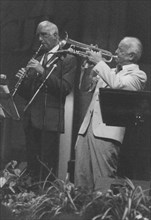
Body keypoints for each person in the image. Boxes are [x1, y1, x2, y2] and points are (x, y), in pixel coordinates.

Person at [74, 37, 147, 192]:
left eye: (120, 49)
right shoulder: (110, 71)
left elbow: (118, 86)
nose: (115, 52)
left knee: (102, 183)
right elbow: (84, 87)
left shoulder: (138, 75)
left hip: (106, 134)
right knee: (81, 181)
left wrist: (100, 63)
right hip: (86, 129)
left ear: (131, 56)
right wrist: (87, 68)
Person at [16, 21, 77, 181]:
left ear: (56, 35)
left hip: (49, 120)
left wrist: (42, 71)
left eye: (44, 35)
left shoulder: (67, 59)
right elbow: (28, 93)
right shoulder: (38, 57)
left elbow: (65, 88)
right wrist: (23, 80)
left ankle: (44, 201)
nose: (40, 40)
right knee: (32, 165)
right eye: (38, 35)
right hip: (31, 119)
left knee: (47, 167)